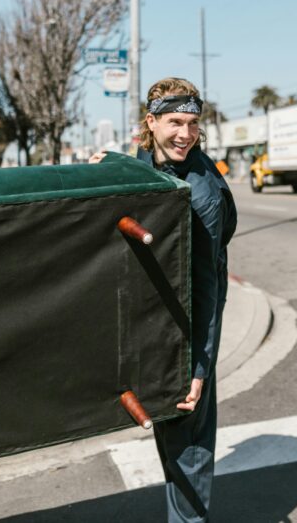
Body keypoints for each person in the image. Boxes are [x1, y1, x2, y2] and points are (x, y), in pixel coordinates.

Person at [91, 77, 237, 522]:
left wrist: (199, 368)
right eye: (175, 122)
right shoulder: (145, 162)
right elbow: (142, 176)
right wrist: (111, 166)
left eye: (193, 124)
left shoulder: (204, 194)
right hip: (156, 313)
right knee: (168, 432)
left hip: (192, 317)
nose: (186, 135)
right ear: (150, 123)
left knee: (189, 445)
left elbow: (208, 289)